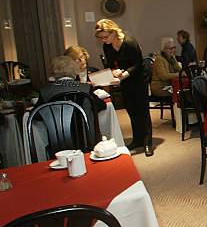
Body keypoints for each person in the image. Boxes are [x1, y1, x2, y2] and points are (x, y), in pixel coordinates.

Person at [95, 19, 154, 156]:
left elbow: (138, 64)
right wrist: (114, 71)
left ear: (114, 32)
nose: (103, 40)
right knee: (131, 109)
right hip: (125, 80)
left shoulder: (129, 43)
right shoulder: (107, 46)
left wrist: (124, 74)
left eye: (105, 36)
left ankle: (147, 142)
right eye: (101, 38)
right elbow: (110, 64)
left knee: (142, 111)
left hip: (139, 78)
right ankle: (137, 139)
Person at [35, 56, 106, 145]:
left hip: (58, 144)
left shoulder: (45, 92)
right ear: (75, 71)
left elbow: (36, 116)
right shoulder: (85, 88)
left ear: (53, 73)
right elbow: (101, 105)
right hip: (86, 140)